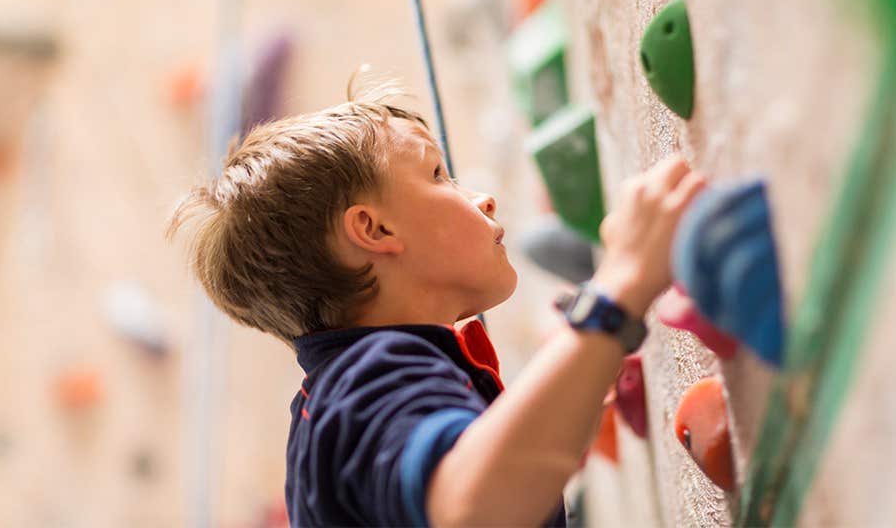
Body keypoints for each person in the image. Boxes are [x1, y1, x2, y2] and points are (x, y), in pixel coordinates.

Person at [166, 76, 706, 527]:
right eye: (436, 174)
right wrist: (620, 286)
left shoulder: (331, 409)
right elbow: (473, 506)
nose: (480, 197)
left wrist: (584, 377)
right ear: (374, 229)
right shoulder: (367, 382)